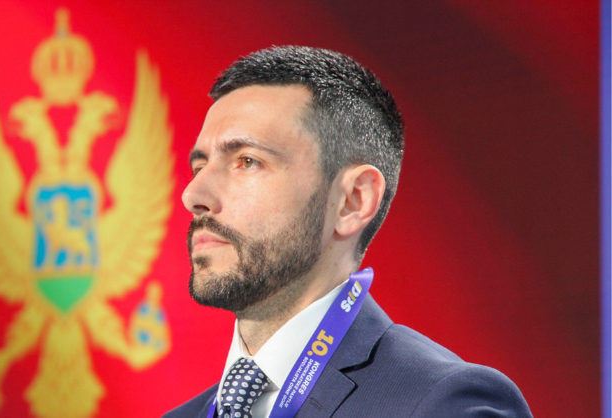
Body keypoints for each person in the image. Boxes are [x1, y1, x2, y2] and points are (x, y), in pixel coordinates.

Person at [164, 46, 532, 418]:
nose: (193, 195)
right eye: (200, 167)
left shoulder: (446, 403)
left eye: (247, 161)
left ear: (353, 200)